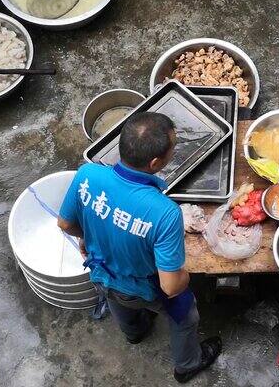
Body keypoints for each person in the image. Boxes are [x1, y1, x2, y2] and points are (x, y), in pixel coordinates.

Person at [57, 112, 221, 383]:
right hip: (143, 286)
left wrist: (86, 235)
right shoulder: (164, 213)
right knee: (186, 314)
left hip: (100, 272)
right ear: (156, 163)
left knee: (116, 298)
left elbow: (65, 223)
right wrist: (188, 277)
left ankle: (135, 333)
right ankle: (187, 365)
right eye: (173, 148)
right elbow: (170, 286)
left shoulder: (88, 174)